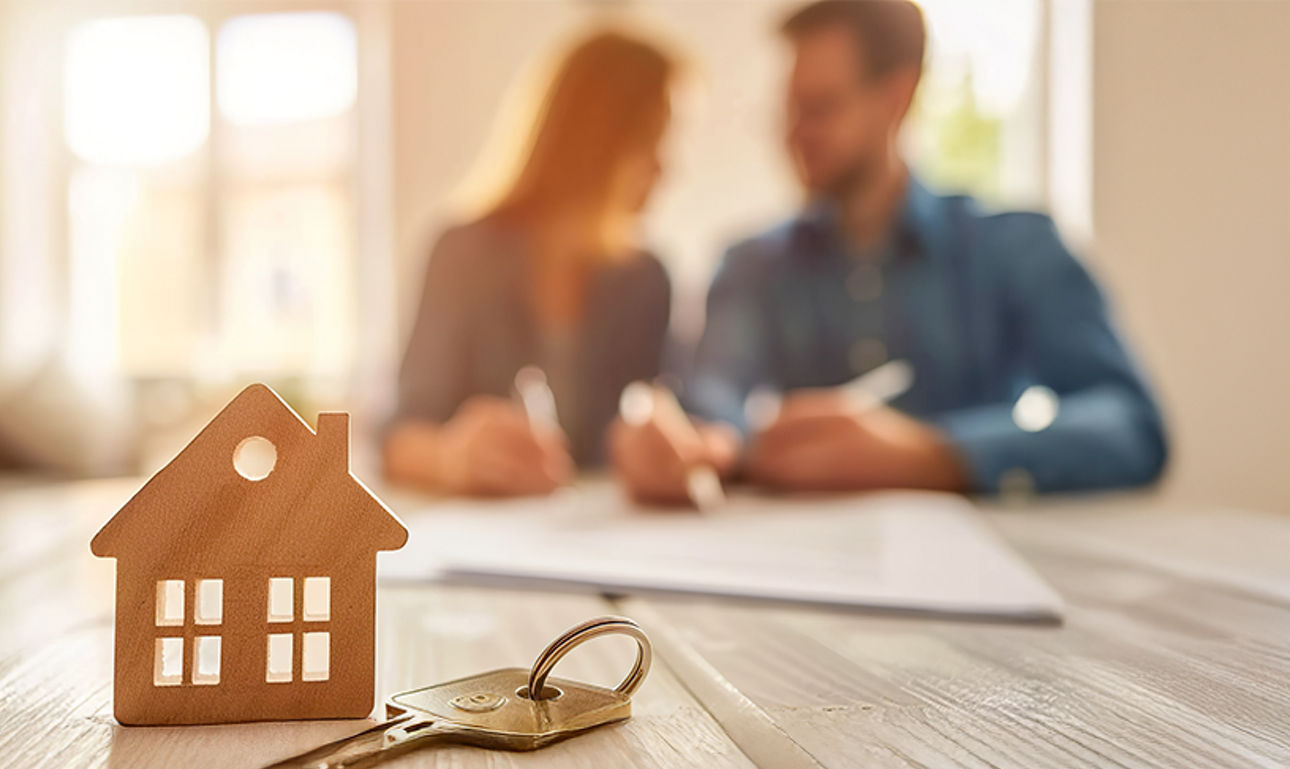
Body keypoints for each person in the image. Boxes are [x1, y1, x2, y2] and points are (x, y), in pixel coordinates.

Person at [612, 0, 1168, 503]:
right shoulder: (749, 265)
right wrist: (688, 443)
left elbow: (1131, 425)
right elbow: (714, 400)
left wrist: (933, 456)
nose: (793, 134)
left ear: (896, 98)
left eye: (820, 107)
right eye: (788, 110)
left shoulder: (1013, 247)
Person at [384, 31, 681, 496]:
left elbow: (662, 410)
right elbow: (398, 431)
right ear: (596, 137)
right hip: (483, 534)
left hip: (600, 541)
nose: (666, 168)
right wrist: (450, 455)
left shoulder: (645, 279)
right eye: (652, 139)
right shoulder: (462, 253)